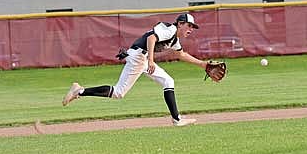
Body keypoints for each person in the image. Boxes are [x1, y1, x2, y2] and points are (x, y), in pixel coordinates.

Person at [62, 13, 208, 126]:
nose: (191, 29)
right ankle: (79, 91)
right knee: (118, 92)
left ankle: (177, 119)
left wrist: (203, 64)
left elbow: (181, 54)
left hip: (141, 58)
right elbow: (151, 38)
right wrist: (151, 60)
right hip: (139, 57)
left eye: (193, 27)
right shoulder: (170, 29)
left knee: (168, 81)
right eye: (189, 26)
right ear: (180, 23)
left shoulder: (174, 39)